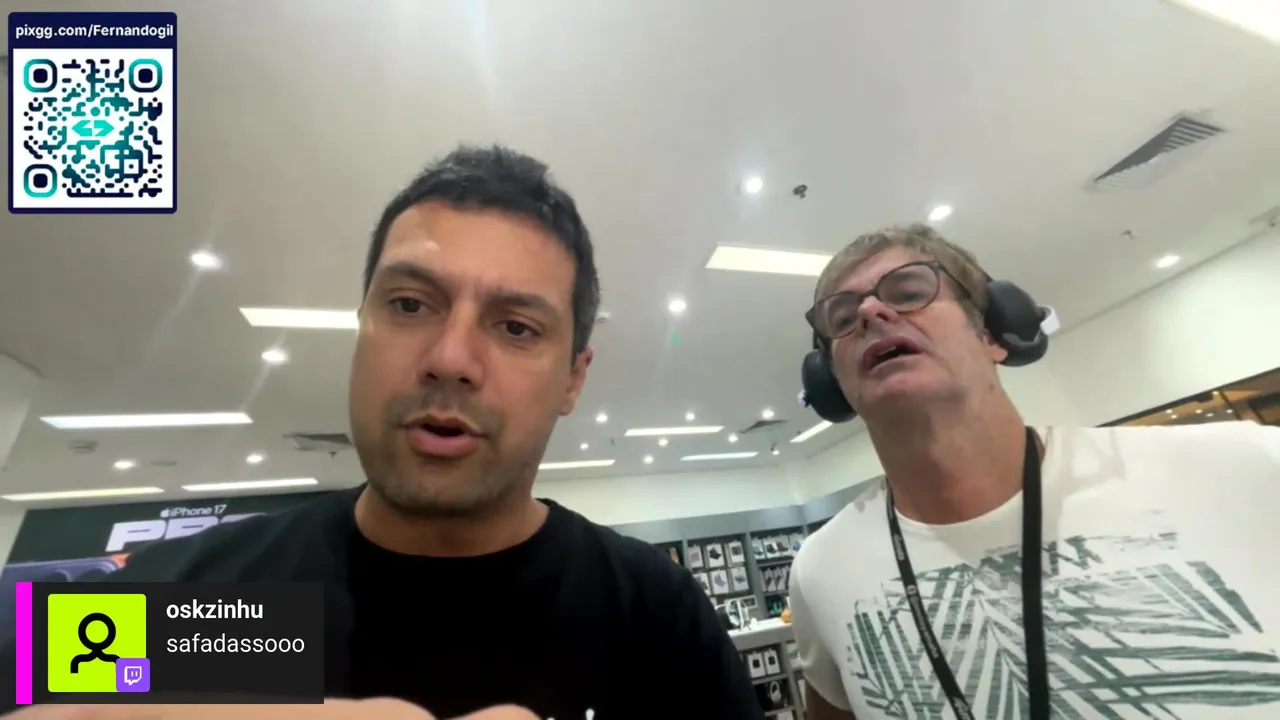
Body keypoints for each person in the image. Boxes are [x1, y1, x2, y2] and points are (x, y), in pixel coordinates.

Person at [0, 146, 764, 720]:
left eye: (516, 326)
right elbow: (24, 661)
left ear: (573, 378)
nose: (450, 359)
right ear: (360, 327)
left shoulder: (651, 617)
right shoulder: (214, 609)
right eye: (409, 305)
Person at [788, 223, 1280, 719]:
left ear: (994, 334)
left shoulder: (1247, 464)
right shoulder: (820, 571)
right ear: (833, 386)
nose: (870, 312)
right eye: (843, 318)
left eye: (910, 292)